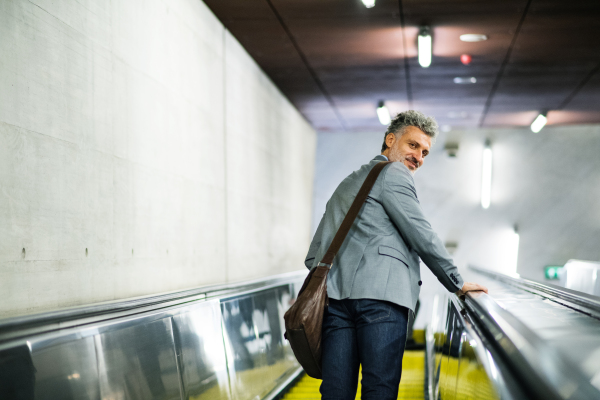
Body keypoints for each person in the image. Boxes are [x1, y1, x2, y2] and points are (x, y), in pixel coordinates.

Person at [304, 110, 488, 400]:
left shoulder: (349, 181)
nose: (419, 157)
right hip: (382, 302)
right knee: (380, 389)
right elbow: (421, 234)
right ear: (391, 139)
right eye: (413, 145)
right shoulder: (394, 173)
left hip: (336, 303)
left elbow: (315, 252)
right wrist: (457, 282)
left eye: (425, 152)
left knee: (336, 392)